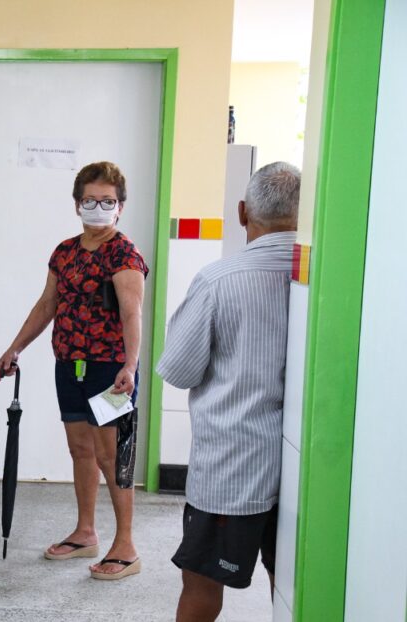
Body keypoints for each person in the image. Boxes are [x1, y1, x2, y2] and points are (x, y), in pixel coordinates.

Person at [156, 162, 300, 621]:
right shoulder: (323, 281)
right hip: (306, 470)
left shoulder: (220, 280)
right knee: (292, 586)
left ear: (242, 213)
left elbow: (178, 370)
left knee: (201, 587)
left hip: (231, 471)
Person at [0, 161, 148, 580]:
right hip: (71, 365)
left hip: (110, 370)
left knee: (112, 456)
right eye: (90, 200)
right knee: (81, 450)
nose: (98, 208)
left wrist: (130, 367)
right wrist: (15, 347)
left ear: (120, 207)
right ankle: (85, 532)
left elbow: (133, 313)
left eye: (107, 201)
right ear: (77, 203)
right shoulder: (65, 251)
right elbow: (48, 305)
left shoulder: (124, 253)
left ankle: (127, 545)